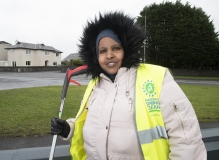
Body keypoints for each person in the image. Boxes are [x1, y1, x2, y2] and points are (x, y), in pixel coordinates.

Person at [51, 11, 207, 160]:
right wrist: (68, 128)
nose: (109, 55)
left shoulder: (157, 77)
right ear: (96, 56)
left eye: (116, 48)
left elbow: (187, 138)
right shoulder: (95, 85)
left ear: (127, 48)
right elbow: (93, 125)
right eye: (103, 50)